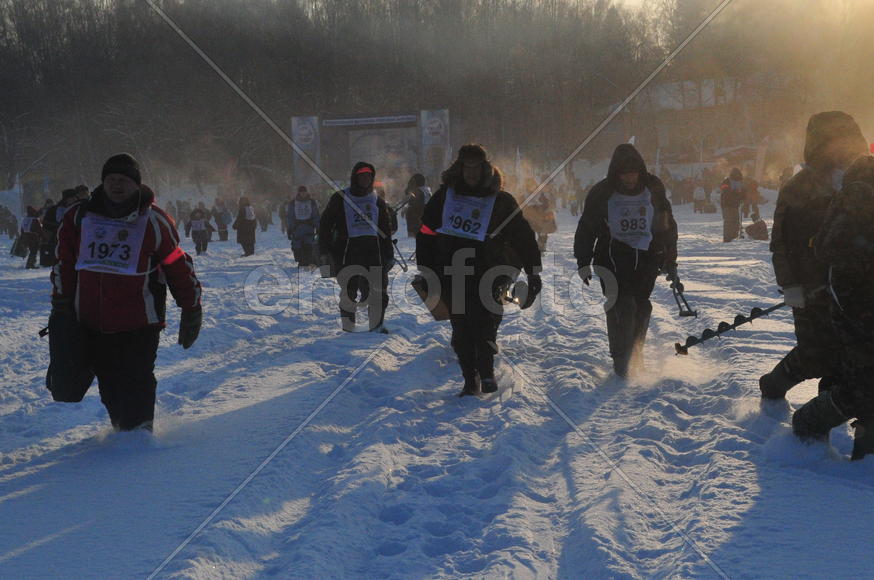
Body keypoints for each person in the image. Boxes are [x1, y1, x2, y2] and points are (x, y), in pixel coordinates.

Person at [47, 153, 202, 432]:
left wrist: (191, 307)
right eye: (111, 179)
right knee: (109, 386)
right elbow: (65, 263)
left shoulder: (153, 220)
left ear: (136, 184)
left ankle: (139, 441)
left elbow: (176, 264)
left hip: (140, 323)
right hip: (92, 321)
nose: (117, 185)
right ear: (103, 182)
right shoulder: (78, 217)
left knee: (137, 379)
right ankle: (123, 433)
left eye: (123, 180)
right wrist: (61, 303)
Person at [416, 144, 541, 396]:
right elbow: (426, 232)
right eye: (466, 167)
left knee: (485, 324)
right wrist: (426, 267)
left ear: (485, 169)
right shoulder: (444, 198)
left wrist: (532, 271)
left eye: (476, 167)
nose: (471, 173)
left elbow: (523, 236)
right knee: (461, 329)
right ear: (459, 168)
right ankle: (469, 379)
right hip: (453, 270)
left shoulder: (501, 200)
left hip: (491, 270)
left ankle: (486, 372)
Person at [759, 111, 868, 399]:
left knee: (851, 356)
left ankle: (824, 414)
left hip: (855, 284)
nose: (843, 148)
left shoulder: (865, 180)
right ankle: (773, 385)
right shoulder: (800, 187)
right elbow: (780, 242)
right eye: (835, 141)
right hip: (811, 284)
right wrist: (790, 284)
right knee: (815, 353)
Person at [793, 155, 874, 459]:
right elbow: (832, 252)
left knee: (863, 384)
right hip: (856, 307)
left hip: (856, 305)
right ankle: (806, 422)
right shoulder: (857, 198)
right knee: (862, 387)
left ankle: (867, 458)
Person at [574, 143, 679, 379]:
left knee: (641, 305)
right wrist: (583, 259)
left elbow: (666, 222)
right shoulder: (601, 192)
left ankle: (636, 352)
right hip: (611, 257)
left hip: (647, 256)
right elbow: (587, 227)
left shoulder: (653, 187)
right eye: (625, 173)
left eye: (634, 173)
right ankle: (621, 358)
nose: (630, 178)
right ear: (616, 173)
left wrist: (670, 255)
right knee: (621, 305)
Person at [319, 162, 395, 332]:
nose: (365, 179)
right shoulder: (340, 198)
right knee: (349, 290)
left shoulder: (377, 200)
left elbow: (385, 229)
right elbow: (325, 225)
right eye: (361, 175)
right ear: (355, 177)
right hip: (347, 252)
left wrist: (388, 252)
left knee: (378, 289)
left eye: (368, 175)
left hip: (374, 252)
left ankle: (376, 325)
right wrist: (323, 249)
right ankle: (348, 326)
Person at [286, 186, 320, 267]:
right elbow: (290, 216)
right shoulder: (293, 203)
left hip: (309, 227)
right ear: (299, 193)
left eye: (304, 192)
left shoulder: (312, 202)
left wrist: (318, 226)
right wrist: (290, 228)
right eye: (301, 192)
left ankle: (307, 261)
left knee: (309, 245)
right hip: (297, 228)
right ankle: (300, 260)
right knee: (297, 246)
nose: (303, 193)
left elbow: (315, 215)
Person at [719, 168, 744, 242]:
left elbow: (742, 191)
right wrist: (735, 193)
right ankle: (727, 238)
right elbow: (726, 192)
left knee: (736, 222)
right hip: (727, 204)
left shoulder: (739, 182)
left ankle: (734, 237)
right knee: (728, 222)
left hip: (735, 205)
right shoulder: (726, 181)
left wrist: (742, 196)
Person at [403, 173, 431, 238]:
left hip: (416, 224)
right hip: (426, 223)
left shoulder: (418, 192)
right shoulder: (427, 191)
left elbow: (407, 192)